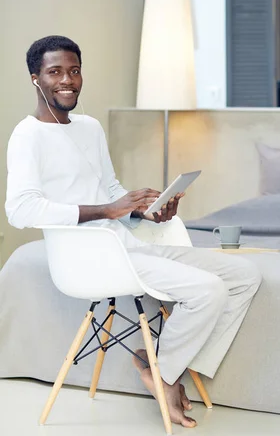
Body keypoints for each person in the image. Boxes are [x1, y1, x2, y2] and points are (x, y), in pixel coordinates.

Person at [5, 35, 262, 429]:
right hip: (91, 259)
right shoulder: (28, 135)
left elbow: (109, 190)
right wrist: (108, 210)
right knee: (206, 291)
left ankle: (162, 361)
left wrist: (144, 213)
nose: (67, 80)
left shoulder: (89, 128)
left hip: (128, 244)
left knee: (245, 277)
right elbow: (20, 209)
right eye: (55, 72)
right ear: (35, 78)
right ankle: (165, 373)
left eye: (74, 70)